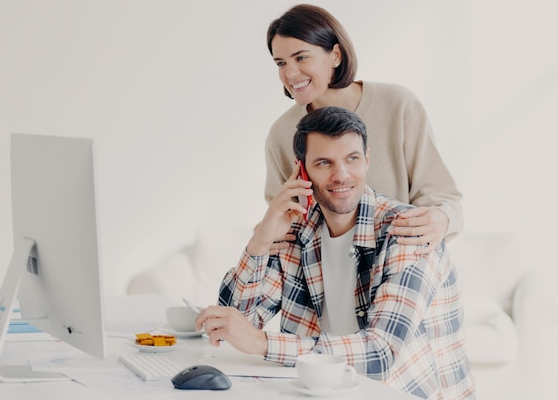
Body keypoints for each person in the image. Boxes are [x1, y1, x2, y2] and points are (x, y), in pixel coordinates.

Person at [196, 107, 475, 399]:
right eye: (324, 162)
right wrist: (260, 241)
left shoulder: (408, 231)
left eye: (352, 159)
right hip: (328, 390)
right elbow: (238, 324)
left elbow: (381, 354)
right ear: (301, 170)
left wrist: (263, 343)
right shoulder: (296, 230)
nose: (341, 175)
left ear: (367, 160)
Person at [264, 4, 462, 254]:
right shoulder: (282, 134)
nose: (290, 73)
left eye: (301, 57)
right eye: (281, 63)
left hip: (399, 260)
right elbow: (280, 223)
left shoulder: (398, 105)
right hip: (325, 274)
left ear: (336, 55)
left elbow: (444, 200)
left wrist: (441, 220)